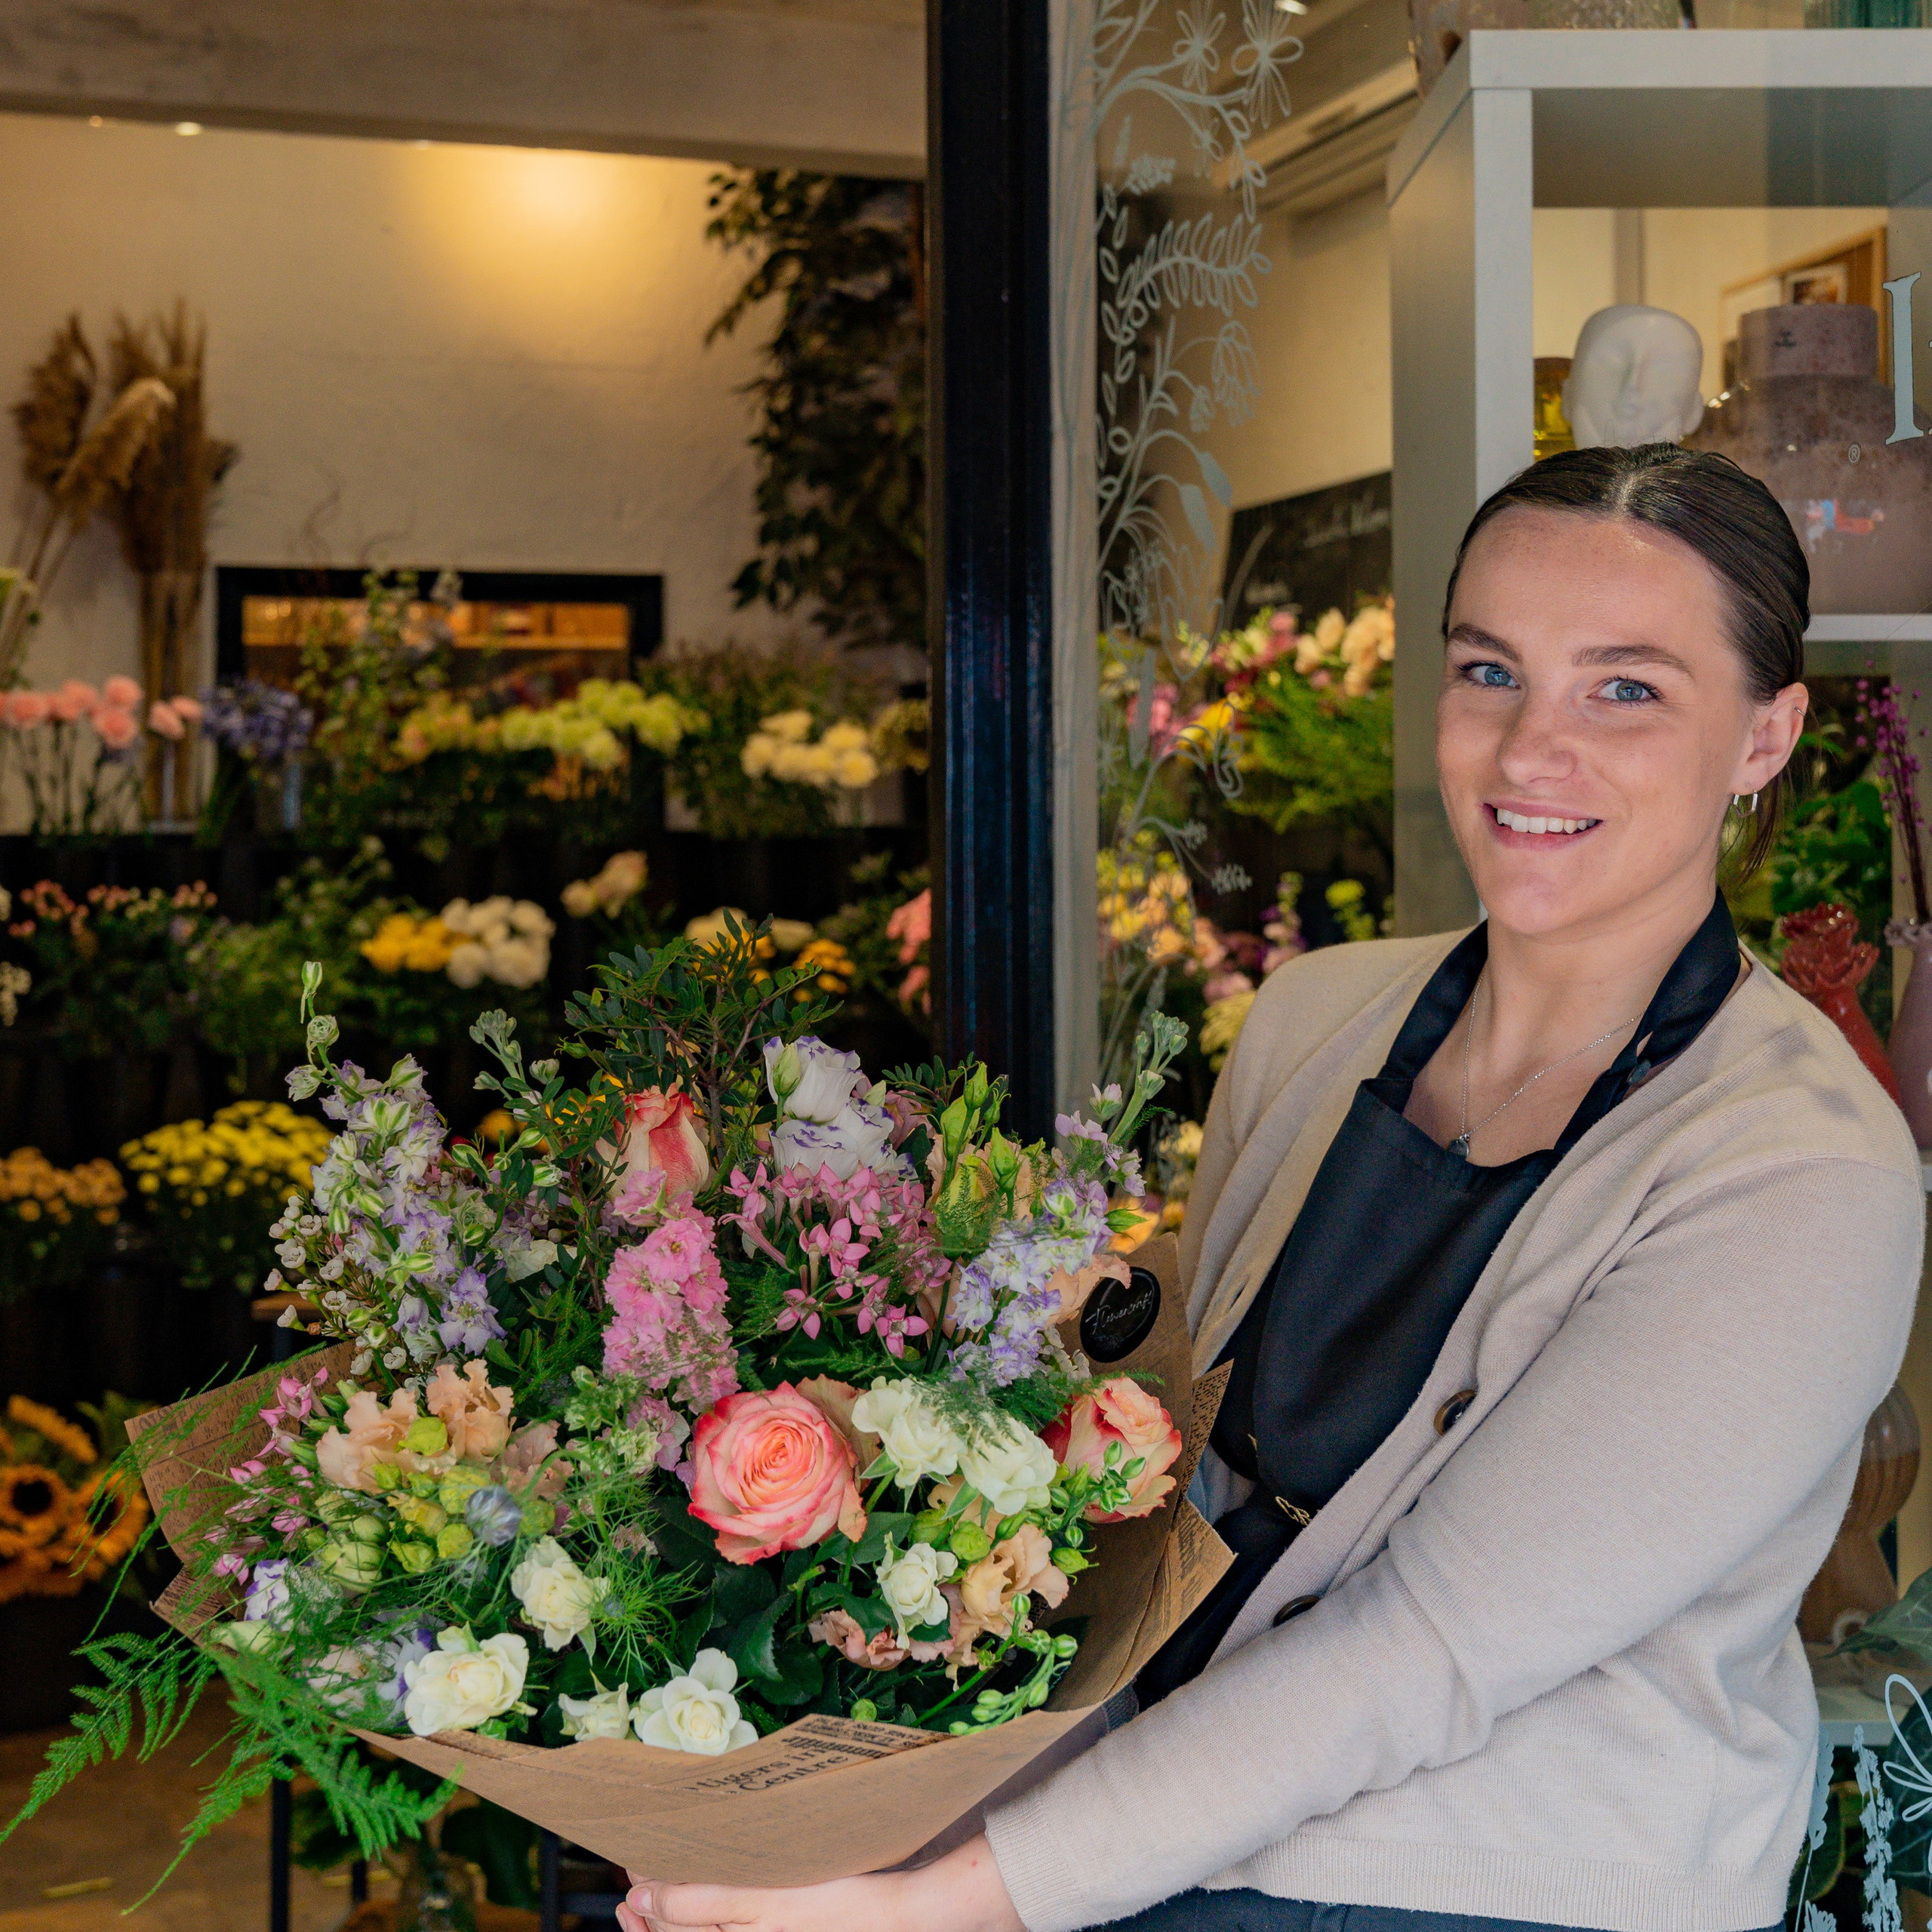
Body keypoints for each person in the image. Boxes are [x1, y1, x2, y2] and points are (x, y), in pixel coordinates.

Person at [617, 445, 1924, 1932]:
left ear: (1764, 734)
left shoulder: (1798, 1165)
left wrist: (938, 1902)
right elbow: (1170, 1455)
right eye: (1489, 672)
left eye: (1625, 688)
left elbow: (1424, 1645)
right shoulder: (1318, 1019)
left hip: (1498, 1888)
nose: (1528, 749)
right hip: (1153, 1831)